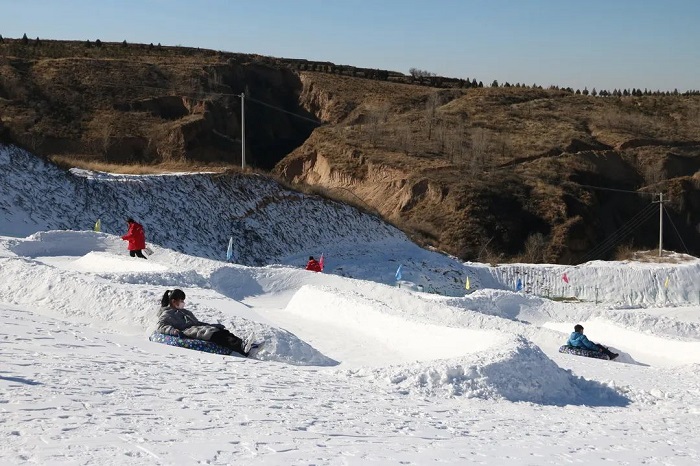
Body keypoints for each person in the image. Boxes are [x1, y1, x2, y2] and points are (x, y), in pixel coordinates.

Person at [156, 289, 252, 357]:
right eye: (181, 300)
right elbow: (161, 325)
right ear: (173, 301)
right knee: (215, 335)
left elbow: (196, 323)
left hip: (196, 328)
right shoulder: (167, 313)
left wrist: (212, 325)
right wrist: (173, 331)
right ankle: (241, 348)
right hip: (188, 331)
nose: (183, 303)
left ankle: (243, 343)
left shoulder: (185, 312)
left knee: (221, 331)